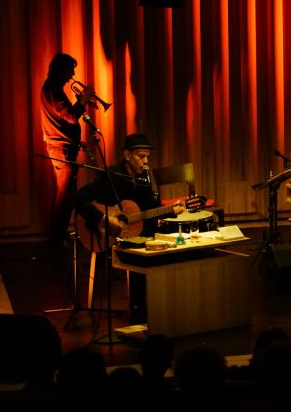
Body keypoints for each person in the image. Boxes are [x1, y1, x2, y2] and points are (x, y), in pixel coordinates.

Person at [76, 133, 184, 321]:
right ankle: (140, 311)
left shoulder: (144, 179)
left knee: (160, 242)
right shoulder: (110, 176)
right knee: (140, 249)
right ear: (127, 155)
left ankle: (158, 309)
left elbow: (149, 210)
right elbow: (78, 198)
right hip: (107, 237)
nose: (146, 161)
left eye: (148, 157)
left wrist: (170, 211)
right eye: (141, 156)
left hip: (135, 234)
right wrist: (102, 219)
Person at [41, 53, 95, 244]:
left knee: (67, 194)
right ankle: (56, 238)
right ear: (62, 69)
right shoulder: (53, 89)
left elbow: (65, 119)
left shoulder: (54, 89)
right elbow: (71, 116)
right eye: (70, 69)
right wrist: (83, 100)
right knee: (65, 196)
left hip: (65, 147)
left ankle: (58, 236)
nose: (73, 74)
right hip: (61, 149)